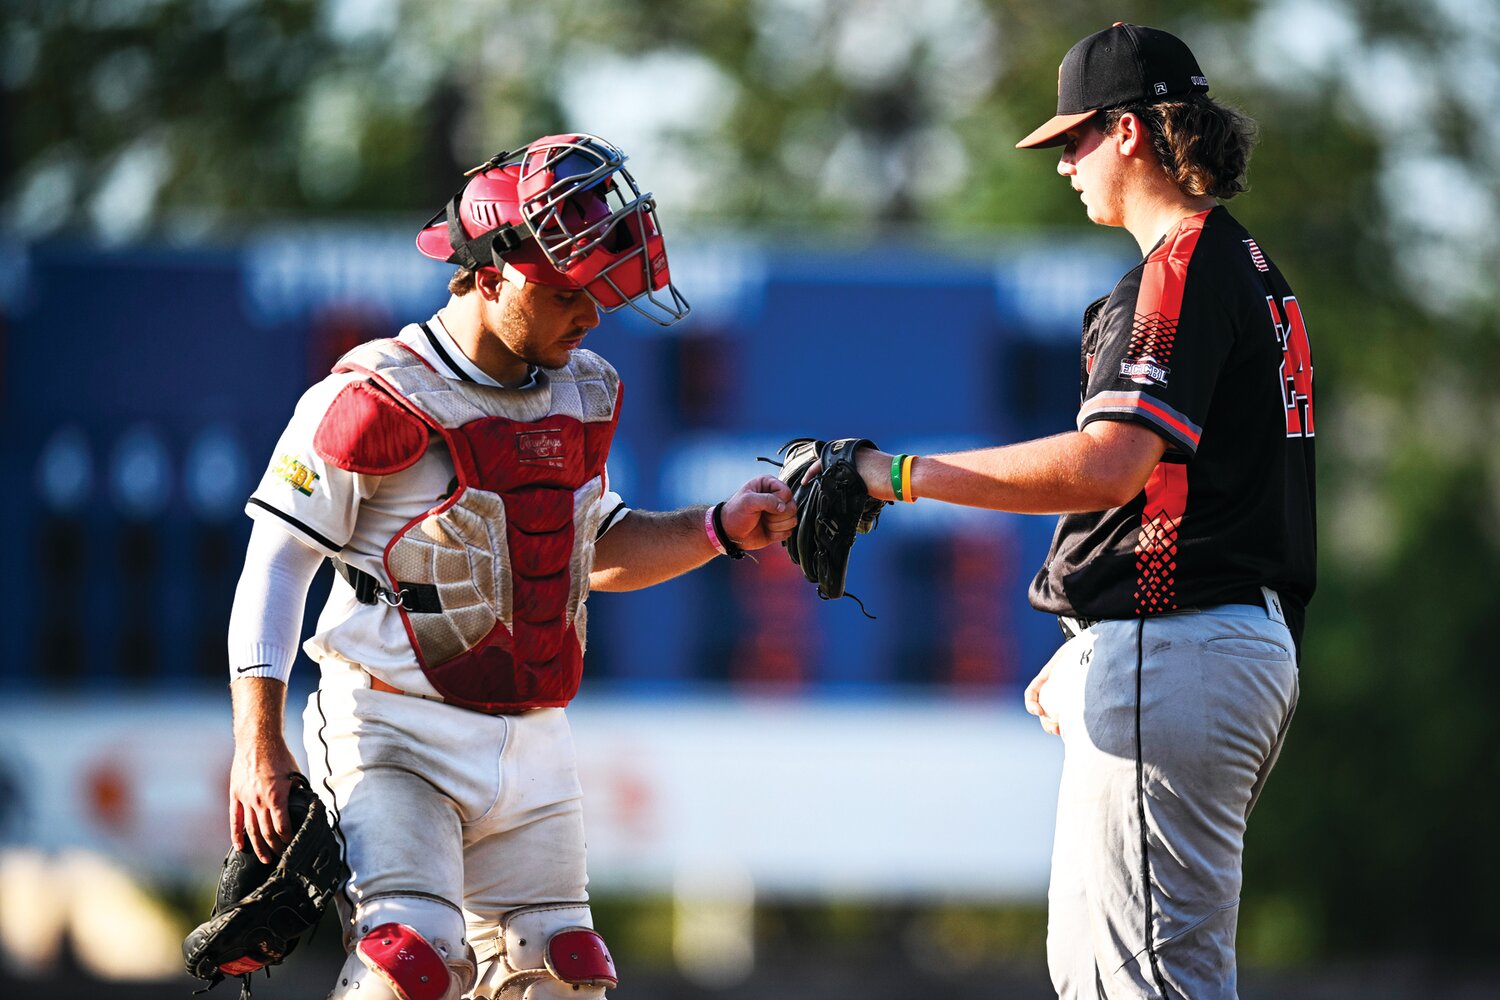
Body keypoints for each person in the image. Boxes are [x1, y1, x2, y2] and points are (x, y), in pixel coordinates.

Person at [223, 133, 796, 1000]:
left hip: (533, 741)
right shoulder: (372, 397)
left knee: (564, 974)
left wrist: (721, 527)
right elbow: (274, 568)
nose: (593, 312)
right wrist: (257, 744)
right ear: (489, 274)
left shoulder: (581, 388)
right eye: (568, 290)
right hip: (393, 730)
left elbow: (590, 547)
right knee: (410, 965)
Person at [820, 24, 1313, 1000]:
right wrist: (1096, 640)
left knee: (1133, 983)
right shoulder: (1251, 271)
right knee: (1128, 976)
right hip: (1214, 641)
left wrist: (894, 474)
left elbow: (1109, 462)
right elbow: (1201, 495)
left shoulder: (1177, 271)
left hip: (1183, 647)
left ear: (1129, 131)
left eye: (1074, 139)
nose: (1064, 165)